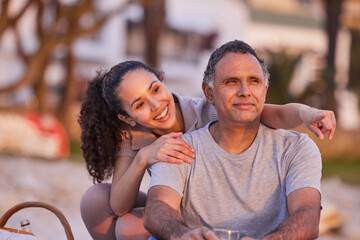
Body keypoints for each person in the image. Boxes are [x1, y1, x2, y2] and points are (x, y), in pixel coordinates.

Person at [79, 60, 336, 240]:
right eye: (139, 104)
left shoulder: (209, 109)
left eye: (156, 89)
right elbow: (118, 205)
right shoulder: (133, 135)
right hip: (173, 206)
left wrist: (307, 113)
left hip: (208, 208)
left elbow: (273, 114)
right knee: (96, 202)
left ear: (163, 81)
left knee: (127, 229)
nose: (156, 104)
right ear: (127, 118)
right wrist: (144, 158)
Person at [144, 40, 324, 240]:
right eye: (231, 82)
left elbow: (307, 215)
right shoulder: (179, 148)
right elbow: (157, 209)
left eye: (254, 81)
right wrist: (184, 235)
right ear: (209, 92)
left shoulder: (296, 148)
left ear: (264, 91)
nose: (245, 91)